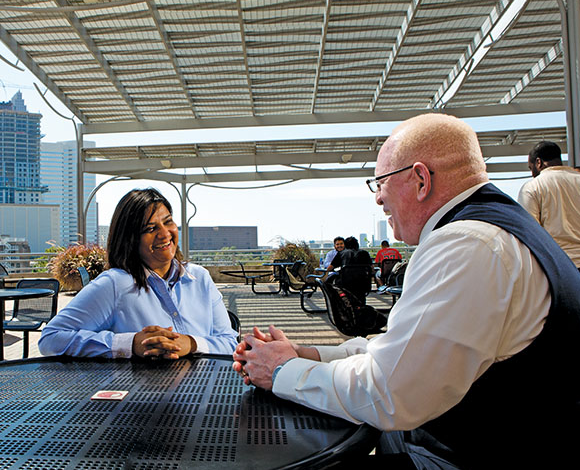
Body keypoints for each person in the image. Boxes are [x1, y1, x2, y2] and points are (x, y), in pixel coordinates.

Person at [233, 114, 580, 469]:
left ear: (420, 179)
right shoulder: (495, 229)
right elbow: (404, 351)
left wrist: (281, 371)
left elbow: (388, 395)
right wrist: (306, 353)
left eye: (380, 182)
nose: (378, 199)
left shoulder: (465, 245)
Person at [39, 188, 238, 359]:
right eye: (150, 228)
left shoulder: (200, 278)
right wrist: (129, 343)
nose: (165, 234)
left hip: (201, 395)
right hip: (139, 397)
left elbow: (230, 343)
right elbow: (51, 339)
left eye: (167, 222)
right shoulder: (114, 284)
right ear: (130, 239)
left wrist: (192, 344)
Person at [518, 140, 580, 270]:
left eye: (531, 168)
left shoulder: (532, 187)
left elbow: (530, 233)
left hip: (560, 267)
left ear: (538, 162)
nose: (532, 174)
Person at [326, 236, 374, 303]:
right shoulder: (365, 253)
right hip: (363, 284)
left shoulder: (342, 253)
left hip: (345, 284)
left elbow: (330, 267)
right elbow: (371, 268)